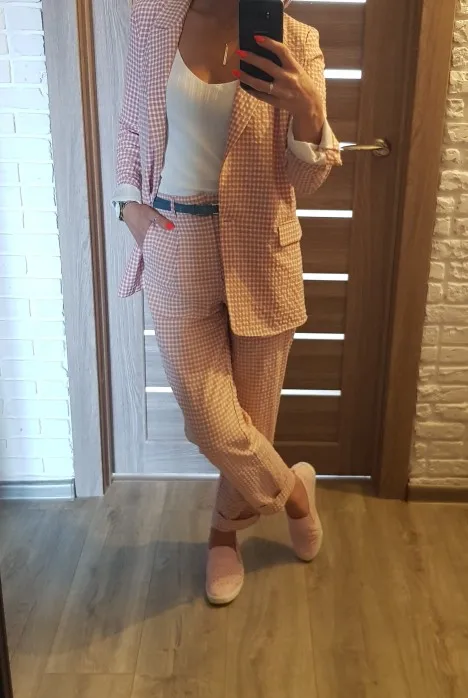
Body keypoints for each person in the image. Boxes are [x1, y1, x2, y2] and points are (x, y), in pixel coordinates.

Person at [112, 0, 341, 605]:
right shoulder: (155, 17)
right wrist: (127, 204)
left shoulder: (296, 39)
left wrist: (310, 113)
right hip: (173, 240)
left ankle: (223, 535)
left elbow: (307, 181)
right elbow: (131, 124)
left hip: (261, 251)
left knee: (253, 418)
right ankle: (295, 493)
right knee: (209, 417)